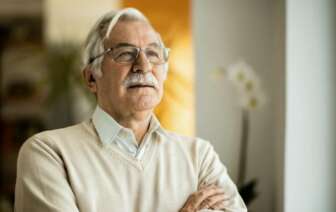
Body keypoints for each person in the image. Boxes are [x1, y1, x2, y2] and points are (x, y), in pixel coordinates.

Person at [14, 8, 247, 212]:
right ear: (92, 78)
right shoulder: (49, 154)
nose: (144, 66)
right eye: (125, 54)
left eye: (153, 53)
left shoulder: (199, 157)